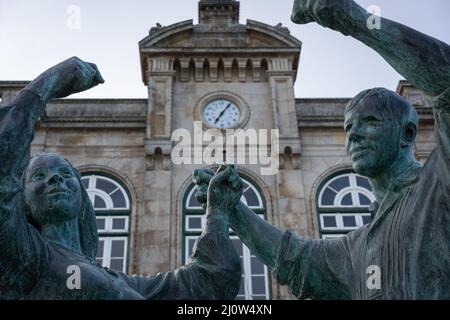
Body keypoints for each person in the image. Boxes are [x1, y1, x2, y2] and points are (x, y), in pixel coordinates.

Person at [194, 0, 450, 299]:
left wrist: (357, 20)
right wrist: (233, 209)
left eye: (369, 121)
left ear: (407, 133)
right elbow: (295, 260)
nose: (353, 135)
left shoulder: (438, 185)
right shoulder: (360, 248)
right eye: (348, 127)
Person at [0, 57, 241, 300]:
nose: (55, 180)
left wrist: (218, 214)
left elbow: (208, 284)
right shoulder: (26, 256)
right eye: (39, 176)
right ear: (23, 201)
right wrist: (43, 88)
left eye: (65, 174)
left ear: (82, 196)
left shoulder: (116, 280)